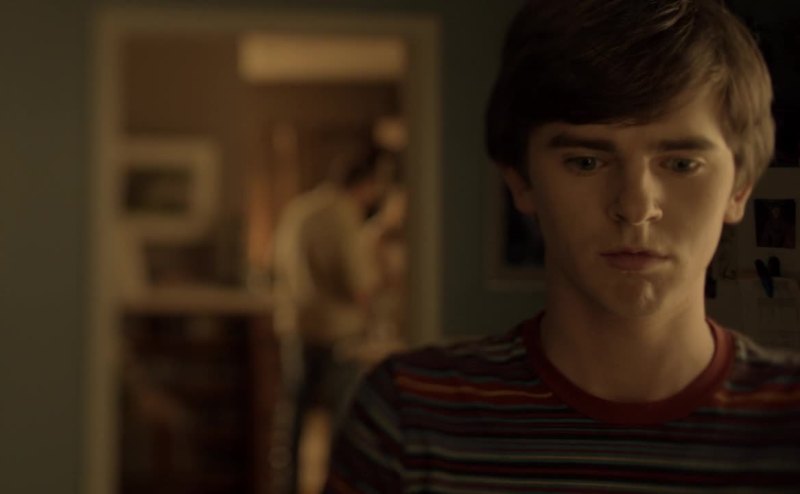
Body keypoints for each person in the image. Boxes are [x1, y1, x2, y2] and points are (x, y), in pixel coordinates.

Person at [323, 1, 800, 493]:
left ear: (740, 187)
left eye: (681, 165)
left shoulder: (788, 422)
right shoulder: (410, 415)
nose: (636, 207)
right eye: (586, 162)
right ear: (521, 180)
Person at [271, 145, 390, 494]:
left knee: (294, 415)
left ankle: (286, 485)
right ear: (365, 183)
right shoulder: (343, 215)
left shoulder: (299, 208)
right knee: (341, 421)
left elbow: (275, 261)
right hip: (338, 332)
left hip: (297, 325)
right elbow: (357, 283)